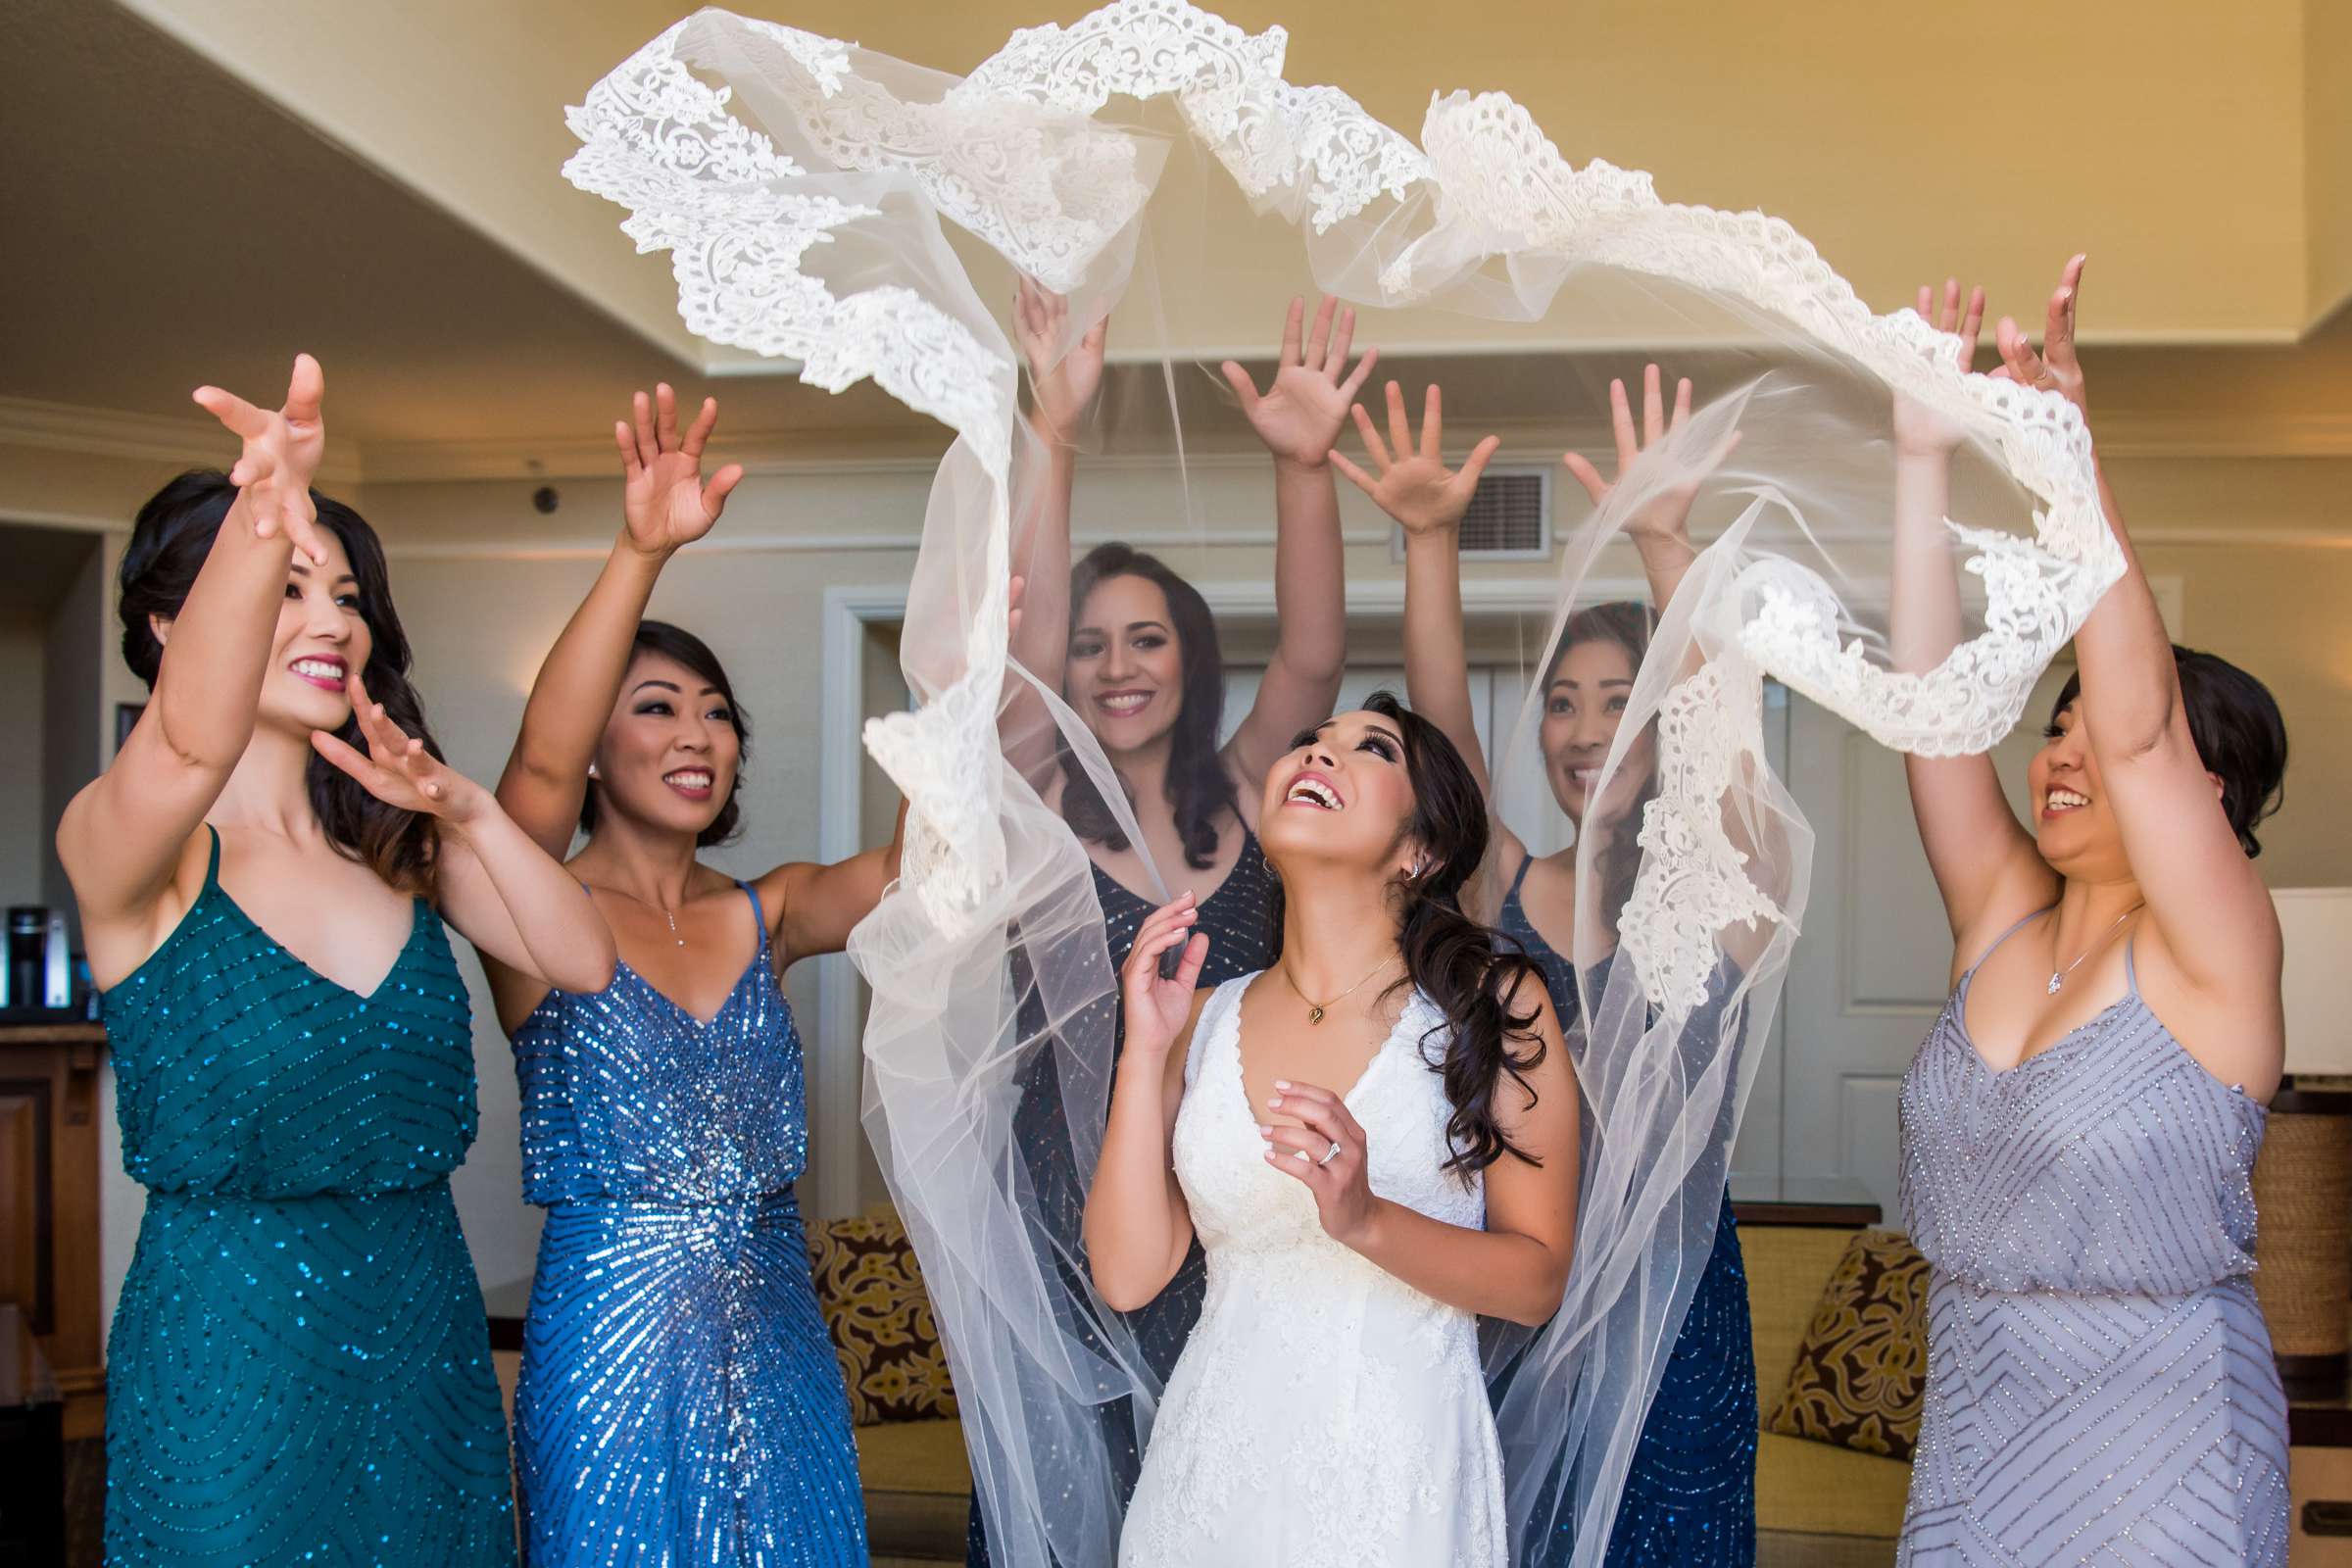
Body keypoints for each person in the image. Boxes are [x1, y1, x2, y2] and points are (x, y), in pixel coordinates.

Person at [61, 356, 616, 1567]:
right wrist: (269, 511)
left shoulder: (404, 845)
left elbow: (581, 961)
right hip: (228, 1365)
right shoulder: (128, 849)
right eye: (291, 587)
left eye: (348, 594)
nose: (330, 621)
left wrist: (466, 811)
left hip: (424, 1354)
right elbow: (192, 737)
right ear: (170, 622)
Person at [1892, 264, 2290, 1565]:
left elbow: (2139, 727)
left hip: (2163, 1451)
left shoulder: (2216, 953)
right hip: (1971, 1428)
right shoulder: (2003, 912)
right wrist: (1921, 454)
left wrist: (2066, 456)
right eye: (2049, 726)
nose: (2061, 752)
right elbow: (1932, 712)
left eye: (2089, 734)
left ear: (2203, 793)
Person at [966, 286, 1372, 1562]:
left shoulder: (1254, 786)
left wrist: (1302, 465)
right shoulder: (1030, 798)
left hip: (1234, 1205)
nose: (1118, 665)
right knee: (1073, 1497)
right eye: (1092, 645)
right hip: (1061, 1204)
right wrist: (1057, 429)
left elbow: (1312, 652)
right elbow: (1019, 663)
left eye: (1147, 638)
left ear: (1190, 658)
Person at [1335, 371, 1760, 1565]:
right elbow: (1442, 742)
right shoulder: (1505, 890)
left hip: (1678, 1324)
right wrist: (1430, 542)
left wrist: (1666, 545)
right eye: (1562, 702)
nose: (1583, 729)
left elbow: (1726, 745)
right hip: (1513, 1299)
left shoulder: (1721, 899)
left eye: (1620, 700)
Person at [484, 386, 900, 1567]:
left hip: (780, 1335)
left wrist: (956, 684)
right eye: (657, 707)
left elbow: (922, 874)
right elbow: (533, 763)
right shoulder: (534, 913)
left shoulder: (769, 910)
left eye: (717, 715)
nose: (697, 735)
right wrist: (640, 550)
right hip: (609, 1344)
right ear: (601, 751)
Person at [1085, 693, 1578, 1565]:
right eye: (1310, 742)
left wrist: (1366, 1220)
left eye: (1371, 748)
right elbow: (1126, 1276)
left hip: (1399, 1476)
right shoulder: (1194, 1017)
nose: (1318, 754)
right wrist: (1144, 1050)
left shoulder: (1496, 1005)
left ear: (1420, 850)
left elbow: (1537, 1280)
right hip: (1210, 1480)